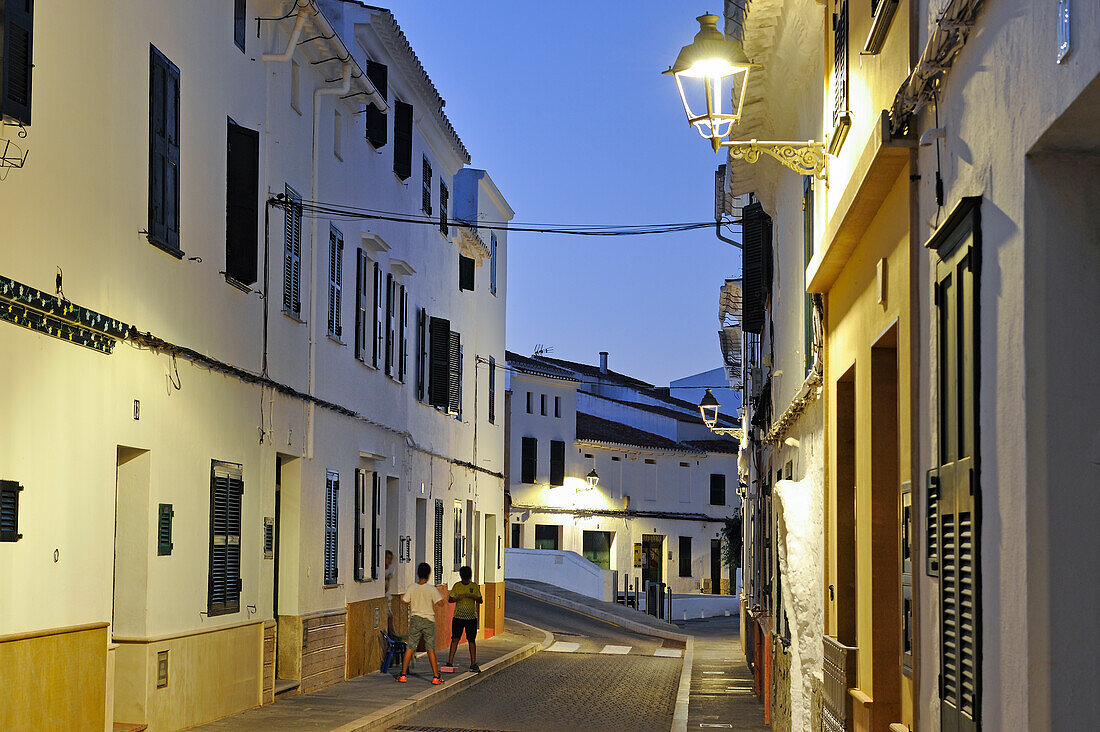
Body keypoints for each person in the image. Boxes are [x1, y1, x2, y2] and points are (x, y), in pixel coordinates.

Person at [398, 562, 444, 684]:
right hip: (429, 620)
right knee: (430, 649)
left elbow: (404, 601)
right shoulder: (431, 589)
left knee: (410, 647)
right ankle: (435, 677)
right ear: (429, 575)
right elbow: (440, 603)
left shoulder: (412, 587)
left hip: (415, 619)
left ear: (417, 574)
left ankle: (403, 675)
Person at [443, 565, 483, 673]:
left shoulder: (474, 586)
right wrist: (458, 598)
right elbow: (450, 599)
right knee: (455, 638)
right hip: (459, 617)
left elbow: (480, 600)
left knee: (471, 640)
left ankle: (473, 663)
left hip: (471, 618)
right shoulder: (457, 586)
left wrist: (473, 597)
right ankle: (450, 662)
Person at [384, 550, 395, 633]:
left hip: (387, 597)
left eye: (391, 558)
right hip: (384, 597)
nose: (389, 560)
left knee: (390, 616)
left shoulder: (391, 570)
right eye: (388, 558)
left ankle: (391, 633)